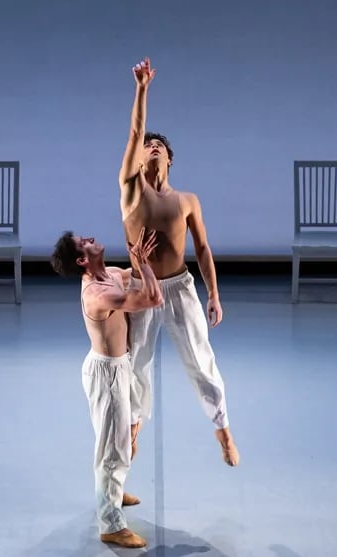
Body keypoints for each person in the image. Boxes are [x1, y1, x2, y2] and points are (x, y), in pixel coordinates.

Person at [118, 57, 239, 466]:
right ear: (137, 160)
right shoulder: (132, 192)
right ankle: (133, 428)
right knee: (136, 363)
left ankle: (223, 431)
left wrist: (214, 294)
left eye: (161, 147)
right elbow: (136, 130)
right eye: (148, 146)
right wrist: (142, 88)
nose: (153, 147)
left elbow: (203, 249)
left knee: (201, 360)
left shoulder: (186, 200)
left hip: (181, 286)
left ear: (169, 159)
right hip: (142, 288)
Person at [51, 228, 164, 549]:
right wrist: (143, 264)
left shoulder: (111, 274)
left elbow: (136, 277)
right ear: (82, 259)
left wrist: (143, 260)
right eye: (84, 243)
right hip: (106, 373)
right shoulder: (96, 294)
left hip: (123, 366)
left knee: (131, 432)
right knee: (112, 449)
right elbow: (152, 298)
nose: (89, 237)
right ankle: (111, 524)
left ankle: (112, 491)